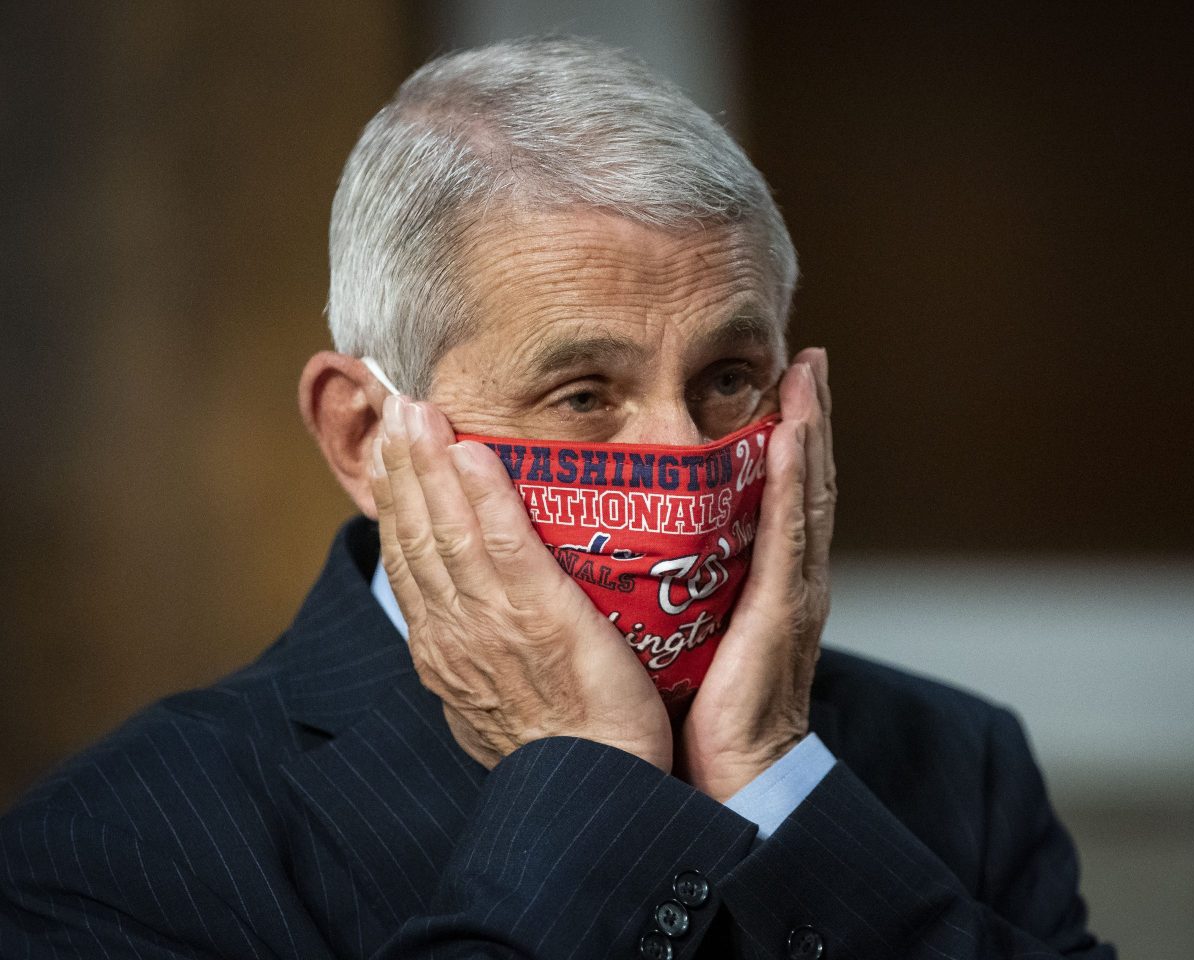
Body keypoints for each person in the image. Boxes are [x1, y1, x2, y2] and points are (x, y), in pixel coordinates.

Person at [0, 38, 1114, 959]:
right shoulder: (113, 853)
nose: (682, 458)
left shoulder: (955, 763)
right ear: (364, 431)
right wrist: (586, 786)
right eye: (584, 393)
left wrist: (779, 787)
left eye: (729, 378)